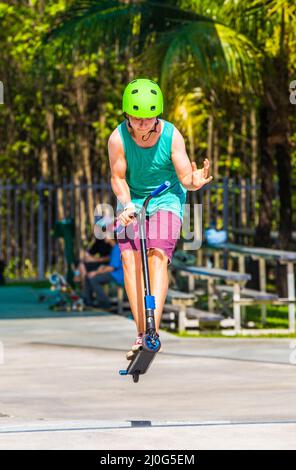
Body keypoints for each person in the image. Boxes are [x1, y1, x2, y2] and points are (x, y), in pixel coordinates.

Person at [108, 78, 212, 357]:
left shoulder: (171, 135)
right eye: (137, 118)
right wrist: (127, 204)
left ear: (158, 115)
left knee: (156, 255)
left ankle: (153, 329)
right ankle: (142, 333)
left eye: (148, 118)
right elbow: (117, 178)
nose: (142, 124)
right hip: (132, 199)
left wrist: (194, 181)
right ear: (127, 115)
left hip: (166, 197)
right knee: (130, 260)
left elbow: (184, 177)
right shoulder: (117, 138)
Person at [82, 232, 124, 309]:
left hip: (117, 275)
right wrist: (101, 268)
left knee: (93, 279)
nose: (104, 237)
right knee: (89, 276)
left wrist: (96, 272)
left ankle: (105, 304)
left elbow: (112, 268)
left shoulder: (117, 248)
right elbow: (111, 265)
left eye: (106, 235)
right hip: (113, 273)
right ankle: (88, 302)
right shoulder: (114, 248)